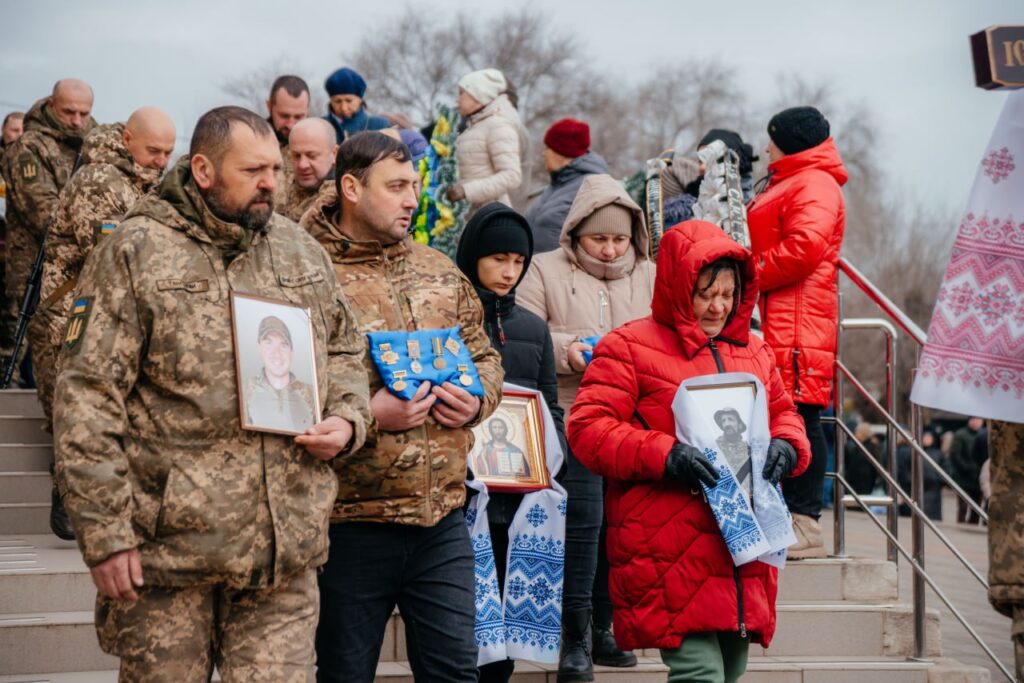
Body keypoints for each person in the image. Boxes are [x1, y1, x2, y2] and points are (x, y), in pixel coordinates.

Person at [52, 106, 371, 681]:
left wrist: (347, 418)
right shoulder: (135, 250)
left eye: (275, 167)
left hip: (283, 553)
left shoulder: (297, 250)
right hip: (168, 560)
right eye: (253, 170)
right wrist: (104, 534)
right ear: (203, 169)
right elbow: (87, 397)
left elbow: (346, 348)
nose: (272, 182)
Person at [567, 220, 811, 683]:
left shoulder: (755, 352)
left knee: (731, 666)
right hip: (669, 540)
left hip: (744, 544)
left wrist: (787, 445)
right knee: (700, 671)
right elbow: (587, 428)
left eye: (729, 293)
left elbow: (785, 414)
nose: (718, 306)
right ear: (680, 287)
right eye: (705, 293)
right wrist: (665, 454)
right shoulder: (629, 347)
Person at [301, 131, 504, 682]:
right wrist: (369, 416)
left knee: (455, 676)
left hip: (441, 520)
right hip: (348, 523)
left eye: (414, 185)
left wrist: (476, 400)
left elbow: (484, 356)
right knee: (345, 675)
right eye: (395, 187)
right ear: (350, 187)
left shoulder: (438, 269)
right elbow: (287, 387)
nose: (413, 199)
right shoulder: (304, 273)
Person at [518, 173, 654, 679]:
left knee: (620, 527)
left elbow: (664, 336)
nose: (611, 248)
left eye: (620, 238)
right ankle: (573, 635)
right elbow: (525, 330)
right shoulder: (543, 269)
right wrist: (566, 349)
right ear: (576, 233)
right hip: (572, 415)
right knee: (585, 524)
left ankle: (606, 628)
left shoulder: (650, 273)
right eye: (600, 238)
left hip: (635, 422)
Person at [29, 107, 175, 540]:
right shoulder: (99, 182)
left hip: (116, 318)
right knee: (79, 416)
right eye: (153, 150)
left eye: (168, 152)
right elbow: (120, 259)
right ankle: (69, 501)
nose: (162, 160)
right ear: (127, 139)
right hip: (71, 321)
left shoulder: (147, 181)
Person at [454, 201, 566, 681]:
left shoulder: (532, 328)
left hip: (519, 503)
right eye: (499, 258)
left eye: (519, 262)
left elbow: (549, 406)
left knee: (504, 633)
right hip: (462, 497)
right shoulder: (450, 320)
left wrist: (546, 456)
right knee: (461, 627)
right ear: (474, 255)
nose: (509, 271)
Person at [746, 106, 847, 559]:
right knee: (786, 415)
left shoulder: (814, 182)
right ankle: (787, 516)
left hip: (798, 321)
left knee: (803, 415)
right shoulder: (795, 179)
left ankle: (806, 522)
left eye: (771, 139)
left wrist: (747, 275)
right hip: (781, 318)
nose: (767, 148)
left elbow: (804, 248)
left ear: (786, 140)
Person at [2, 79, 96, 384]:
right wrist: (97, 228)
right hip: (33, 271)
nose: (77, 121)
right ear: (52, 105)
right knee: (16, 355)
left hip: (77, 277)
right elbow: (45, 213)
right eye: (69, 112)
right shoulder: (28, 148)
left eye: (84, 113)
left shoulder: (93, 147)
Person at [525, 118, 609, 254]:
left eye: (547, 148)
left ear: (561, 152)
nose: (543, 153)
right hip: (534, 270)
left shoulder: (589, 188)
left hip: (558, 273)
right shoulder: (557, 184)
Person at [446, 69, 523, 212]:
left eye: (462, 93)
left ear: (478, 95)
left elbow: (512, 176)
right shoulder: (474, 127)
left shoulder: (499, 126)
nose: (457, 99)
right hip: (469, 216)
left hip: (489, 218)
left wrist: (465, 191)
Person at [244, 315, 317, 433]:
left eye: (283, 345)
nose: (276, 353)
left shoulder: (313, 393)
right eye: (269, 343)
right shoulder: (244, 390)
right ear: (259, 347)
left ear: (291, 352)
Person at [281, 118, 338, 222]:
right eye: (296, 156)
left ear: (334, 154)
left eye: (312, 156)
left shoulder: (342, 199)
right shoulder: (285, 183)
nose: (303, 165)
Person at [266, 74, 310, 205]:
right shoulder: (252, 142)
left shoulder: (323, 145)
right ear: (269, 106)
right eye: (284, 116)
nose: (291, 124)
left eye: (298, 117)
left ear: (308, 110)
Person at [321, 67, 390, 143]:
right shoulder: (320, 126)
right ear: (331, 101)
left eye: (349, 101)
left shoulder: (380, 126)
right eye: (338, 101)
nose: (344, 108)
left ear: (360, 100)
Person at [950, 416, 985, 524]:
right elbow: (956, 454)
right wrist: (966, 468)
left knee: (976, 506)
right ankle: (960, 524)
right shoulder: (961, 434)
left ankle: (973, 525)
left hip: (978, 476)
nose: (976, 422)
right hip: (963, 476)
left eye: (979, 420)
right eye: (974, 419)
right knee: (963, 506)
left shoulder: (983, 435)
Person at [714, 408, 752, 494]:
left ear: (740, 425)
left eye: (730, 419)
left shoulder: (750, 450)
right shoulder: (714, 448)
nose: (726, 424)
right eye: (723, 421)